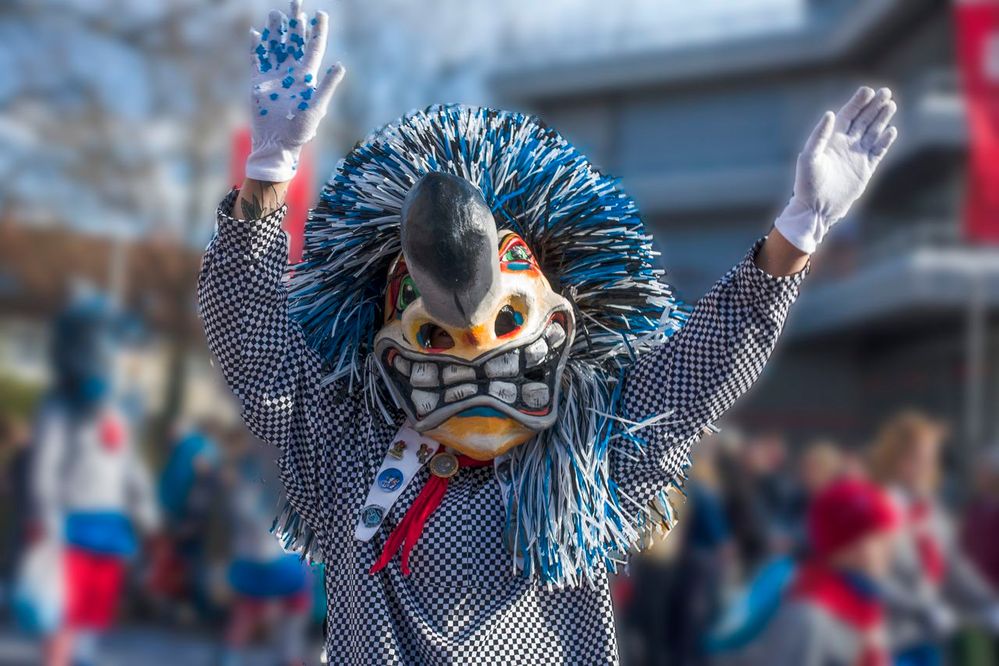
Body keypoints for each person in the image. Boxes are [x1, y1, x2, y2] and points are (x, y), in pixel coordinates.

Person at [198, 1, 899, 661]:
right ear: (387, 351)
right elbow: (259, 355)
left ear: (558, 323)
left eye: (503, 319)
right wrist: (265, 178)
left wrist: (796, 236)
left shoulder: (591, 446)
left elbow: (697, 372)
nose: (474, 349)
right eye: (438, 334)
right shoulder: (349, 449)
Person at [28, 294, 160, 666]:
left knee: (90, 623)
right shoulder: (59, 407)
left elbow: (130, 466)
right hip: (70, 527)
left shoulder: (117, 409)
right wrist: (50, 524)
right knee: (62, 624)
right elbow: (44, 473)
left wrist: (147, 511)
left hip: (109, 531)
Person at [869, 411, 999, 666]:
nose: (930, 467)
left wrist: (989, 602)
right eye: (921, 458)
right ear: (898, 460)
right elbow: (871, 579)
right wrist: (923, 608)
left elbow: (954, 567)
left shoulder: (932, 512)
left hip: (931, 641)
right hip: (889, 643)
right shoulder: (878, 508)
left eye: (932, 458)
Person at [734, 478, 900, 666]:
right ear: (855, 544)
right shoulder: (810, 615)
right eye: (882, 539)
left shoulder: (864, 602)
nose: (891, 550)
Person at [219, 427, 311, 666]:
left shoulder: (248, 471)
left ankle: (234, 657)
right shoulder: (265, 470)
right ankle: (289, 656)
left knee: (249, 609)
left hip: (257, 558)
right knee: (292, 599)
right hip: (271, 559)